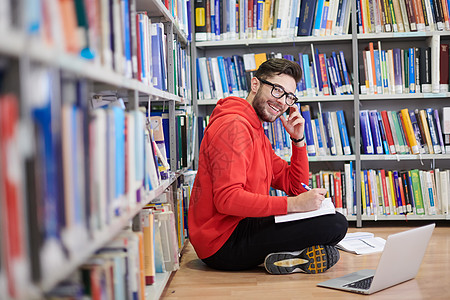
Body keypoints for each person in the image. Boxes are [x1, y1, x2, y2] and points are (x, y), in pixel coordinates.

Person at [188, 58, 348, 275]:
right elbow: (227, 200)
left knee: (331, 220)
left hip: (241, 225)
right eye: (277, 91)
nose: (282, 102)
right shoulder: (234, 127)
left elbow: (294, 184)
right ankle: (292, 254)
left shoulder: (255, 129)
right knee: (334, 224)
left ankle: (287, 255)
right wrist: (294, 205)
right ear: (255, 85)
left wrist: (298, 141)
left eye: (289, 97)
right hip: (222, 243)